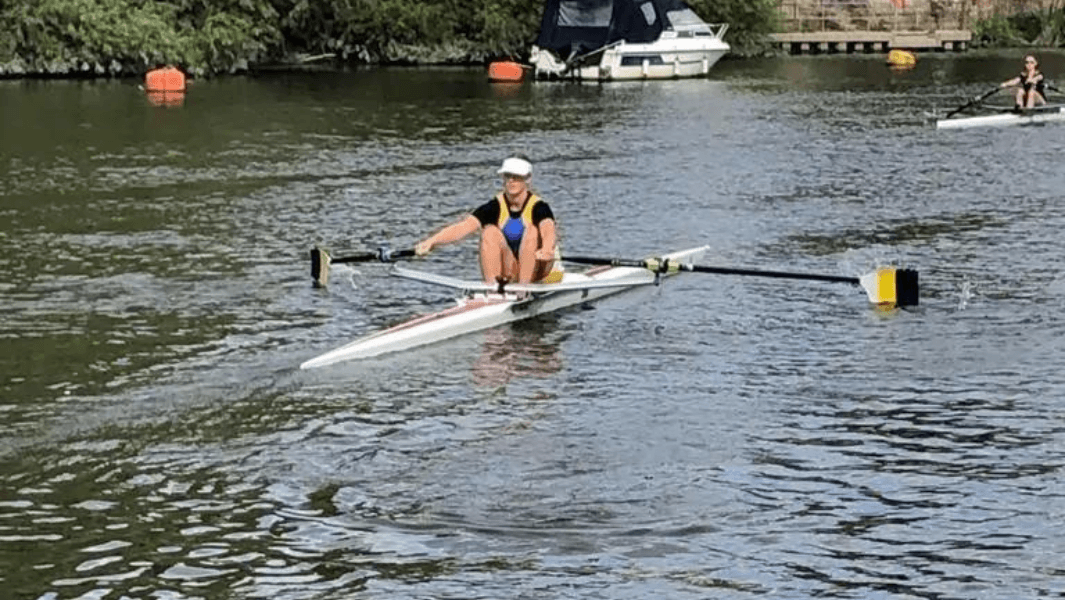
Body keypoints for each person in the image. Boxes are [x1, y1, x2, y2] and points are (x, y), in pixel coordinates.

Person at [415, 155, 561, 285]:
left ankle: (524, 289)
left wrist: (547, 248)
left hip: (538, 269)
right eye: (507, 176)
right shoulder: (495, 206)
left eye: (516, 177)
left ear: (527, 179)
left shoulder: (539, 207)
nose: (511, 181)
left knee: (532, 231)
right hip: (511, 267)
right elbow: (464, 227)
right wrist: (431, 242)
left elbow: (548, 229)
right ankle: (493, 288)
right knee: (489, 232)